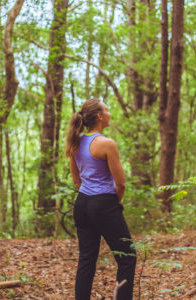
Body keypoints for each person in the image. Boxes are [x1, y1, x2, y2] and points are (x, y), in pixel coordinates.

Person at [66, 98, 137, 300]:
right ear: (99, 116)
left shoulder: (75, 142)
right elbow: (120, 184)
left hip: (82, 204)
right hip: (104, 204)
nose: (109, 113)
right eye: (107, 109)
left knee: (86, 261)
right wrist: (115, 202)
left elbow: (77, 181)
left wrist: (91, 196)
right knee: (127, 257)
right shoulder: (106, 144)